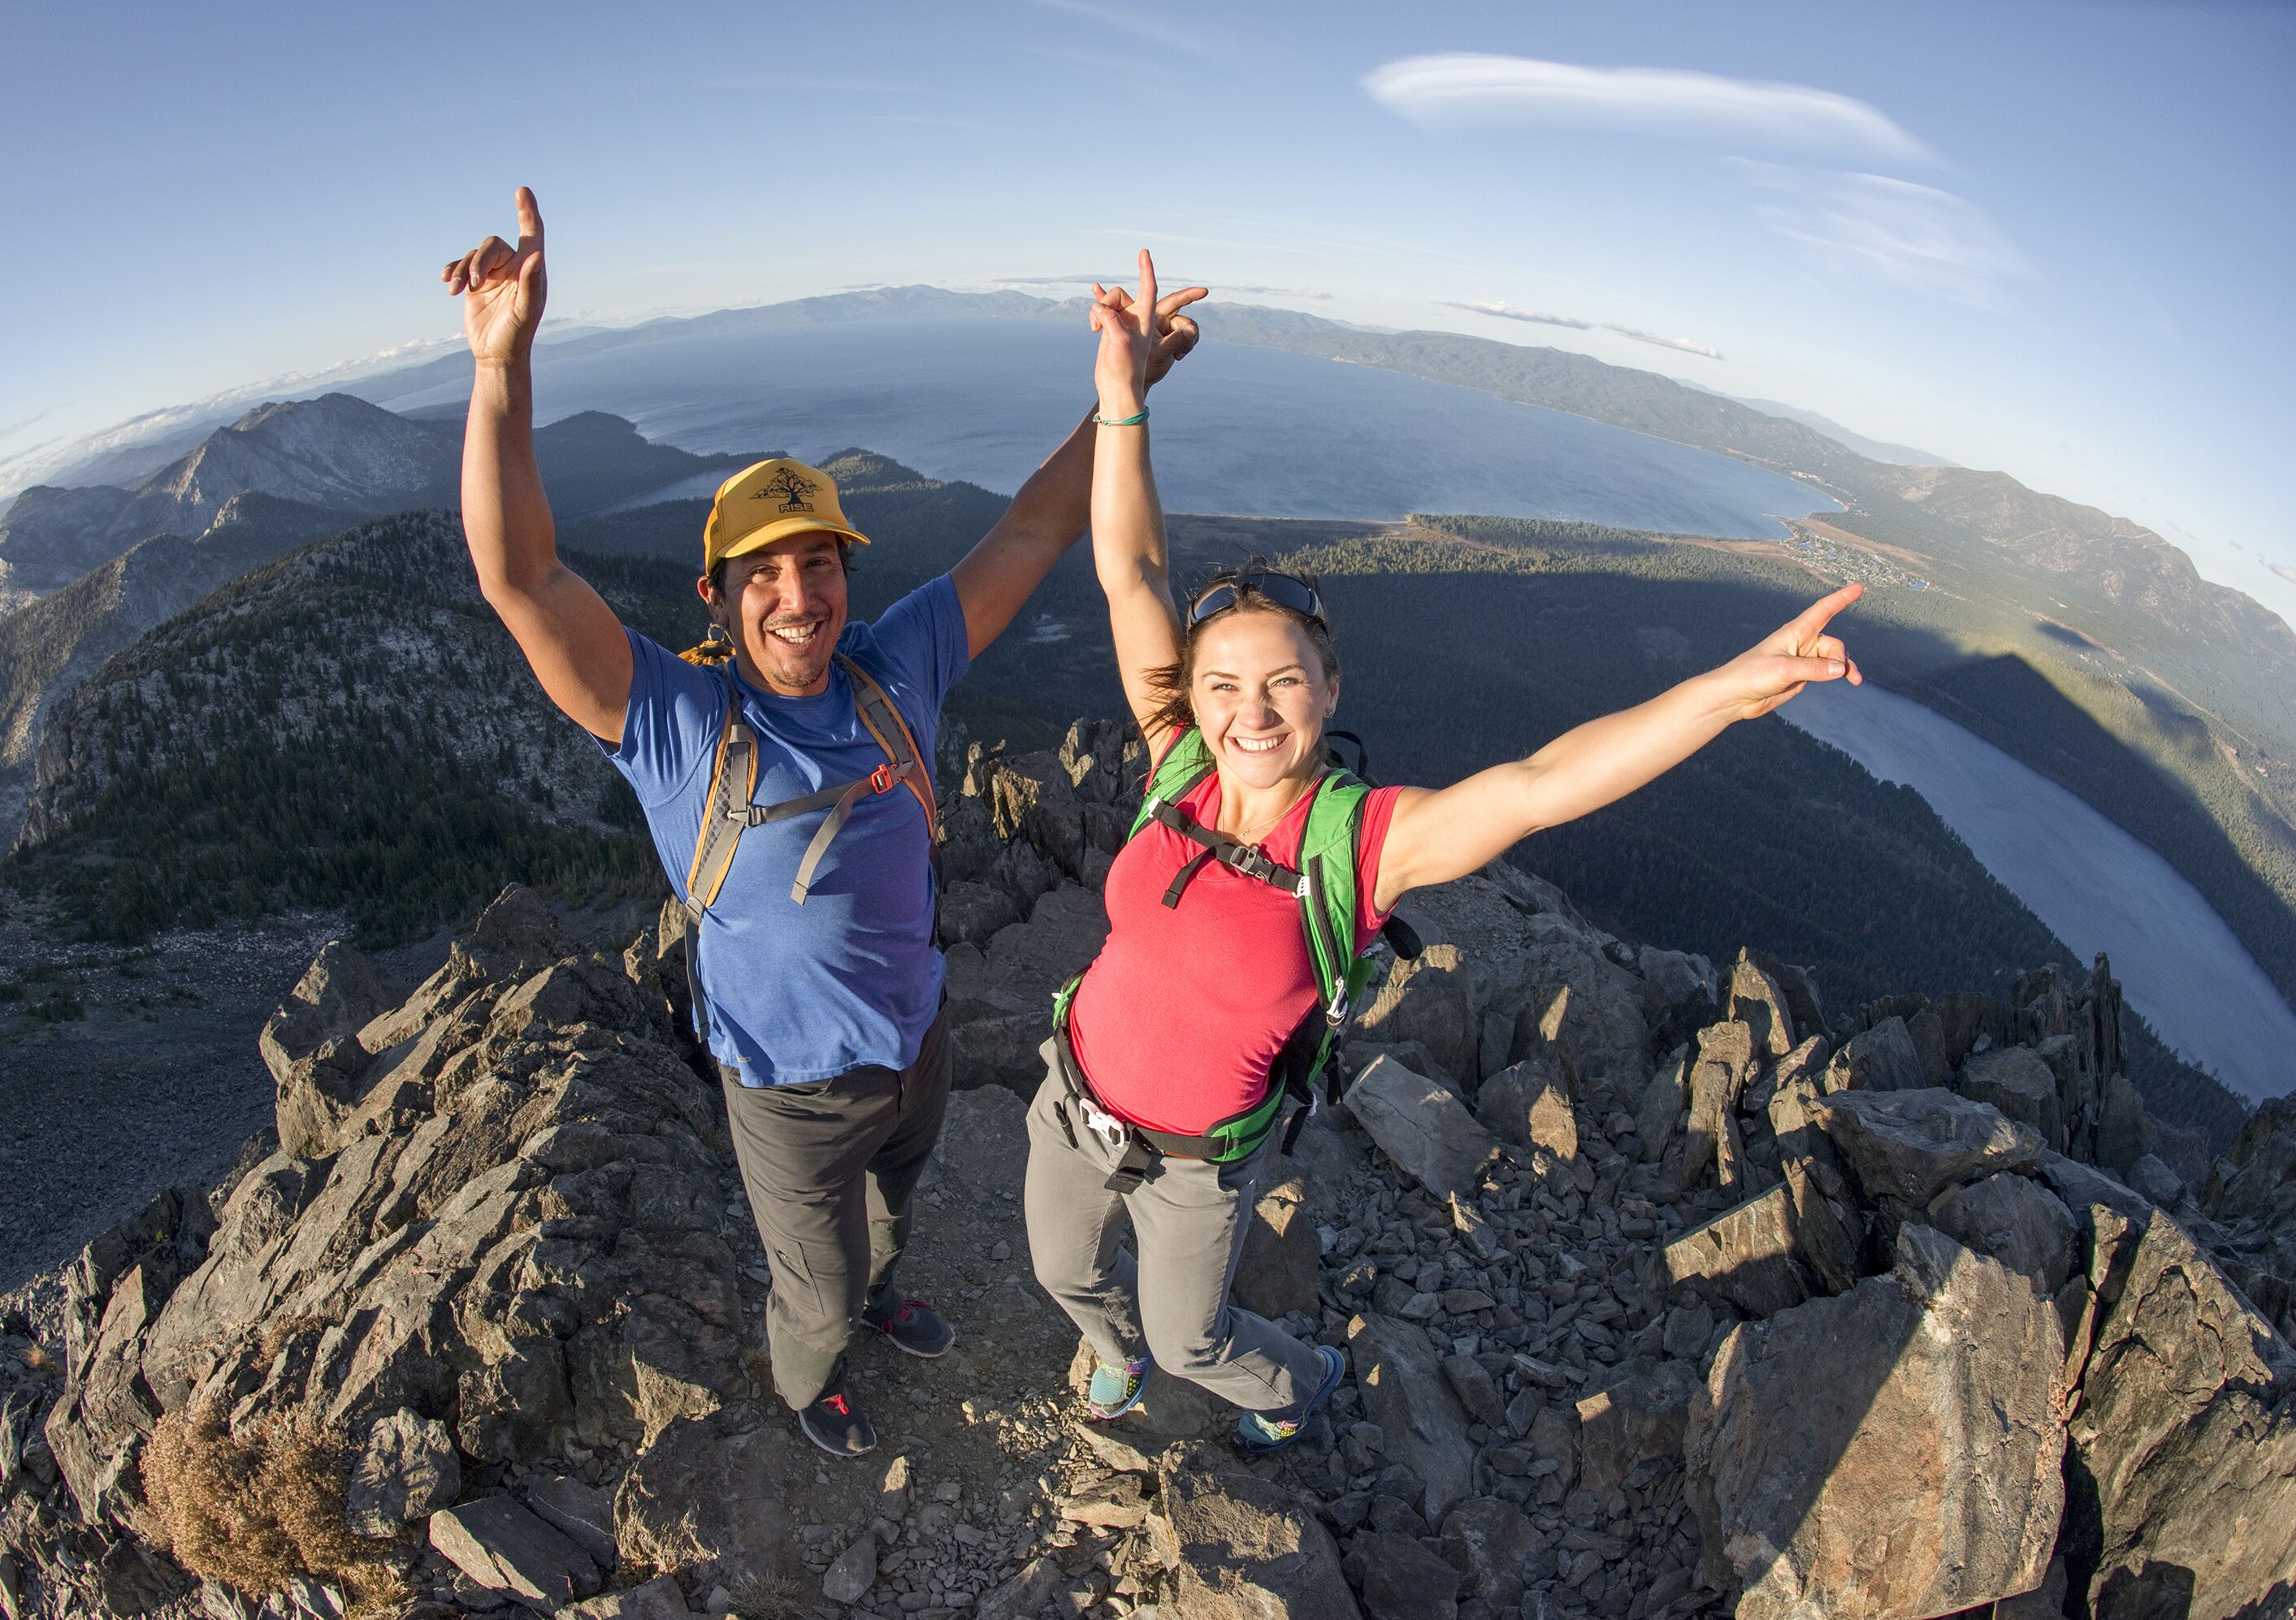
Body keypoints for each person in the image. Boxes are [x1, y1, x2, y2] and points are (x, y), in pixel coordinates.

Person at [1026, 250, 1865, 1453]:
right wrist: (1121, 391)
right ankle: (1102, 1354)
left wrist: (1729, 690)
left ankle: (1298, 1382)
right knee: (1066, 1276)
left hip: (1198, 1164)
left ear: (1329, 687)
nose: (1248, 711)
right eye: (1222, 684)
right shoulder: (1176, 764)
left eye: (1280, 682)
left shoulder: (1363, 841)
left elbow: (1540, 785)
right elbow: (1131, 570)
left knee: (1193, 1340)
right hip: (1073, 1098)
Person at [441, 188, 1207, 1456]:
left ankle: (889, 1293)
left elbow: (1032, 522)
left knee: (898, 1217)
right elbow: (521, 577)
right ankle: (811, 1381)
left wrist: (1126, 392)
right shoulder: (678, 724)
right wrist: (498, 371)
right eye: (765, 574)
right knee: (820, 1283)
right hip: (788, 1095)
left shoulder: (891, 663)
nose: (798, 596)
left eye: (820, 563)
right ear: (718, 595)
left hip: (917, 1045)